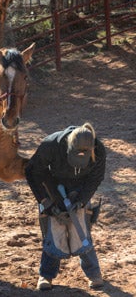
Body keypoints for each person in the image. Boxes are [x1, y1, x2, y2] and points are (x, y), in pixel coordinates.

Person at [25, 122, 106, 290]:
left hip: (79, 190)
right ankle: (46, 275)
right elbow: (32, 170)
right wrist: (46, 202)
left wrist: (81, 200)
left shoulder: (98, 149)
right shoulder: (51, 145)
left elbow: (95, 178)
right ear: (68, 146)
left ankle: (94, 274)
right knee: (53, 231)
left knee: (81, 230)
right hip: (53, 187)